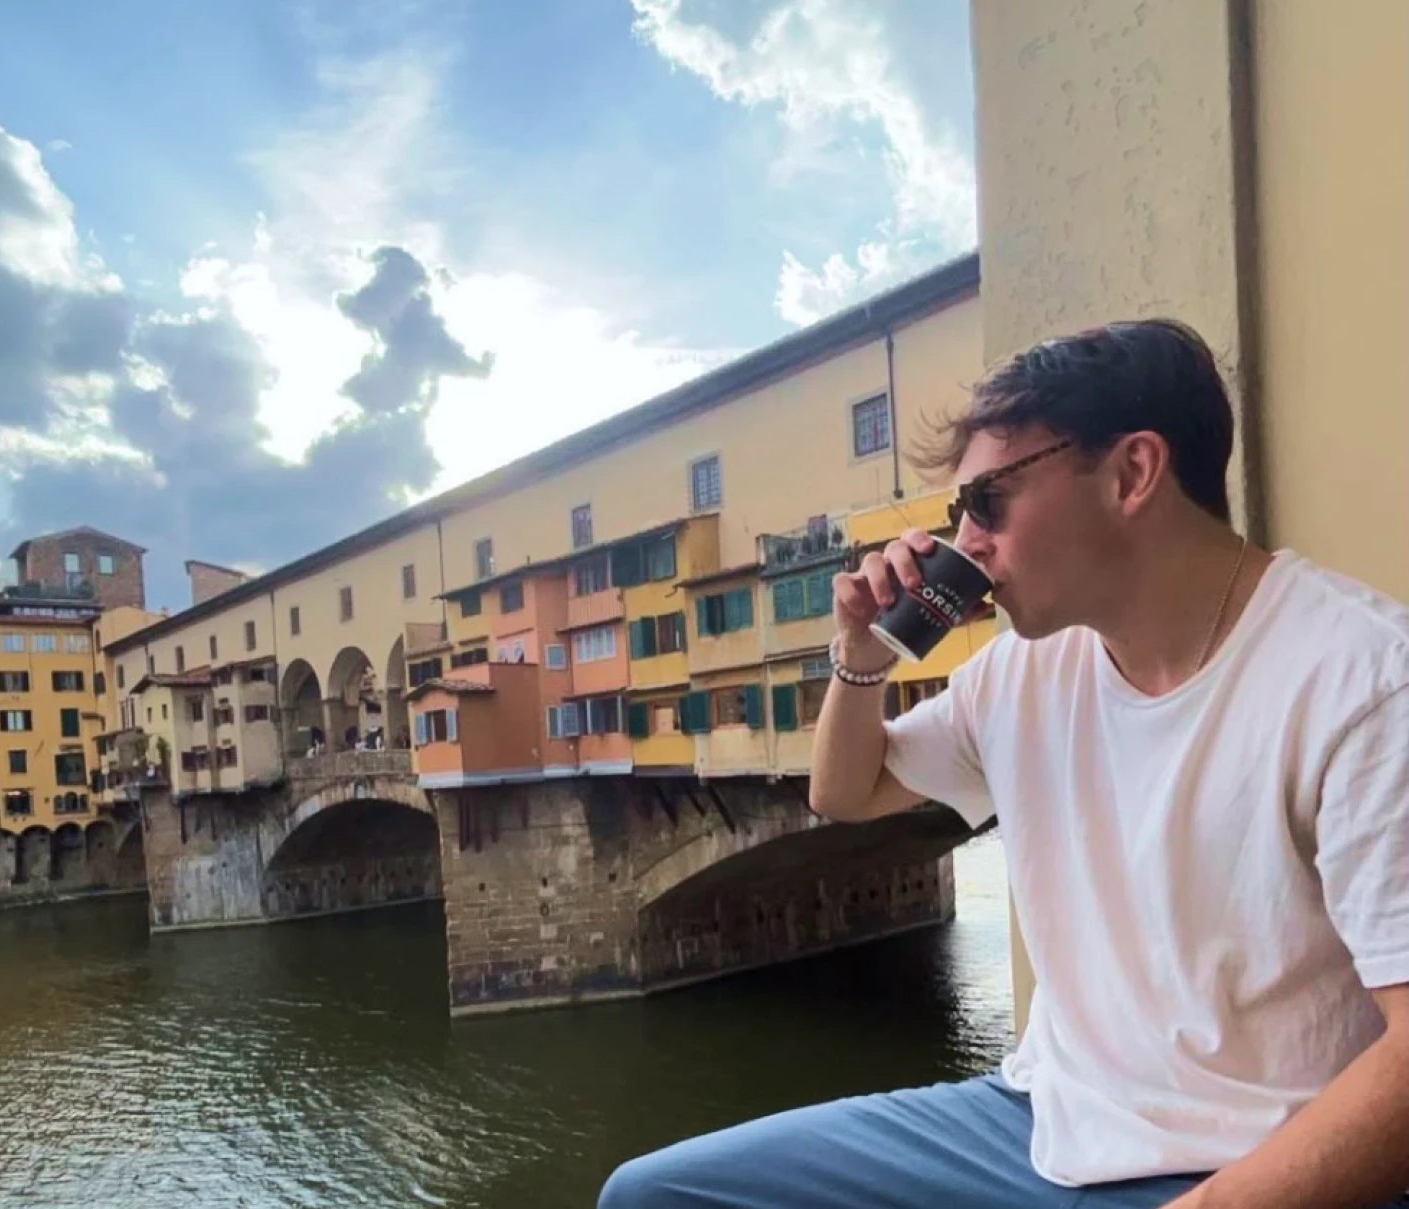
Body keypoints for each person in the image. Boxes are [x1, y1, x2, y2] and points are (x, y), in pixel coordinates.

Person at [598, 320, 1409, 1209]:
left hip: (1256, 1155)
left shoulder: (1361, 681)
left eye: (986, 501)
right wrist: (861, 652)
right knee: (655, 1196)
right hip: (1041, 1119)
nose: (967, 543)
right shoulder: (1024, 670)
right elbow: (845, 793)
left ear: (1132, 473)